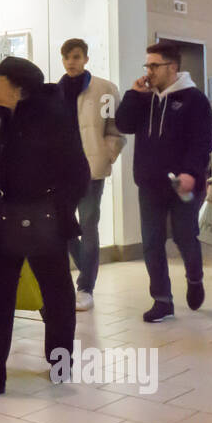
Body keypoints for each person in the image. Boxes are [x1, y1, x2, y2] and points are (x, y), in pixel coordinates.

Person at [0, 57, 88, 396]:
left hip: (47, 221)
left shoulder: (55, 116)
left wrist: (59, 209)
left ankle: (60, 362)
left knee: (56, 295)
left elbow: (78, 172)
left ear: (18, 86)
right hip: (3, 221)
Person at [115, 41, 212, 323]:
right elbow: (123, 125)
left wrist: (192, 173)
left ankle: (195, 278)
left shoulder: (194, 100)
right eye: (147, 65)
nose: (149, 71)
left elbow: (202, 141)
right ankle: (162, 300)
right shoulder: (144, 97)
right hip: (149, 183)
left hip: (182, 183)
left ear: (172, 67)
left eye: (154, 66)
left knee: (184, 236)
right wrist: (134, 95)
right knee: (152, 242)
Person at [57, 38, 124, 311]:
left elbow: (115, 130)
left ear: (85, 59)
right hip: (61, 170)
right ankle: (87, 267)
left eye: (75, 57)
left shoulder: (105, 90)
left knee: (88, 224)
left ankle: (85, 287)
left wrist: (107, 155)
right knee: (63, 225)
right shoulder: (55, 91)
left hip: (91, 169)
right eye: (66, 58)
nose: (70, 62)